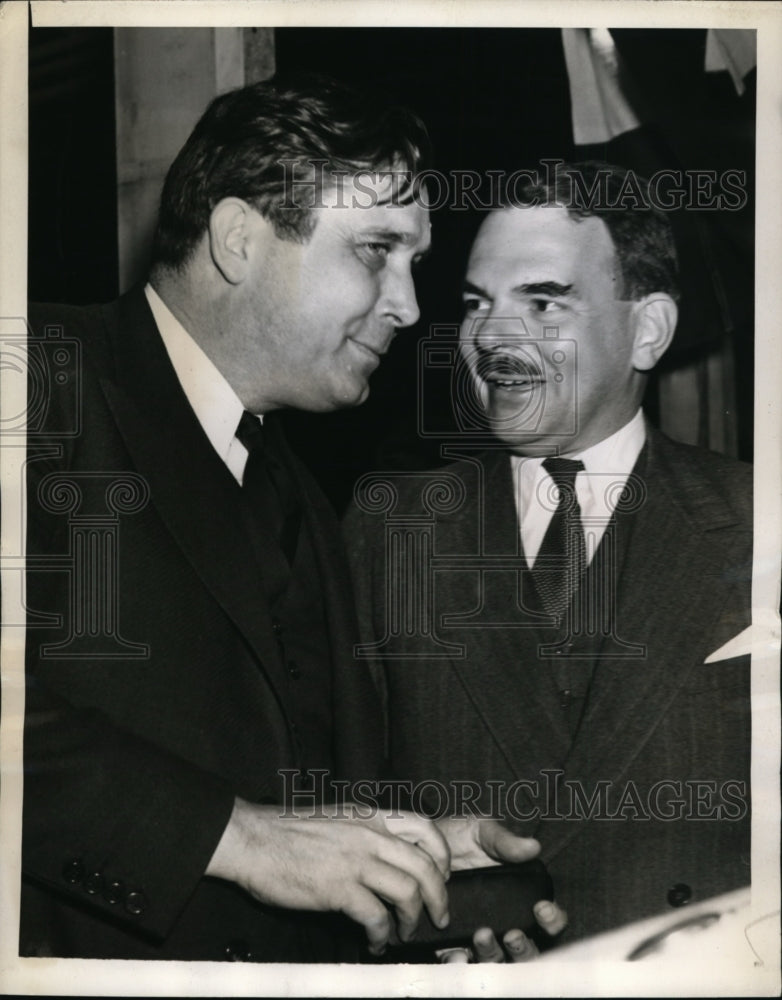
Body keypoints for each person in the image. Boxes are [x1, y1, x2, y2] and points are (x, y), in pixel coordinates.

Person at [21, 75, 553, 963]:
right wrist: (242, 838)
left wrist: (406, 855)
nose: (410, 306)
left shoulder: (297, 490)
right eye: (376, 250)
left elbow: (286, 819)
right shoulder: (38, 379)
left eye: (413, 263)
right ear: (238, 240)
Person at [345, 162, 753, 947]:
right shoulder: (387, 530)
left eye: (542, 301)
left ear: (648, 330)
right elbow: (339, 810)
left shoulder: (759, 520)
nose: (492, 336)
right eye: (477, 303)